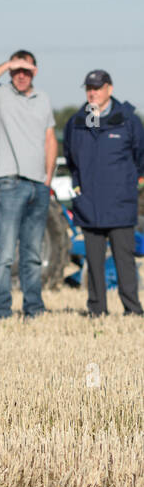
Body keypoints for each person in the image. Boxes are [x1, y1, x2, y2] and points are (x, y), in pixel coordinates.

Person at [0, 50, 57, 318]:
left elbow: (50, 138)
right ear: (10, 71)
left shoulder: (43, 99)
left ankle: (34, 309)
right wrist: (8, 63)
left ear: (35, 72)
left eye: (27, 70)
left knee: (32, 253)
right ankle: (1, 311)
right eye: (17, 70)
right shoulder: (0, 95)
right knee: (5, 253)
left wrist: (48, 177)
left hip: (38, 185)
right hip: (9, 182)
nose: (21, 75)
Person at [63, 69, 144, 316]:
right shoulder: (76, 123)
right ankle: (97, 310)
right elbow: (70, 159)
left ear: (109, 89)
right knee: (94, 261)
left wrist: (128, 184)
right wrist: (79, 188)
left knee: (124, 260)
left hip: (121, 202)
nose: (92, 92)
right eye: (89, 88)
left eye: (97, 88)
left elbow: (140, 158)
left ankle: (132, 309)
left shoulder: (128, 120)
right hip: (89, 203)